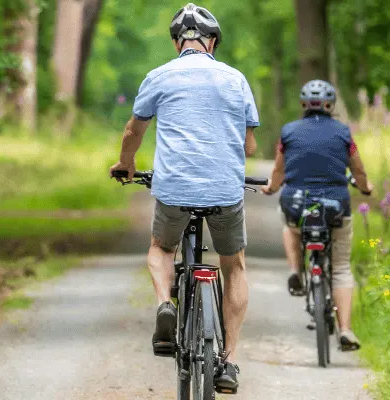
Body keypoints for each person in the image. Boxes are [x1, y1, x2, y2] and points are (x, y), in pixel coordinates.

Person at [108, 3, 259, 393]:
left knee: (161, 248)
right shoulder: (236, 79)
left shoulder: (159, 76)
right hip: (225, 191)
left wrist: (126, 164)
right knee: (235, 265)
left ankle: (165, 304)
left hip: (174, 189)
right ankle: (230, 363)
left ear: (178, 43)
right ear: (212, 42)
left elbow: (133, 131)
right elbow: (250, 143)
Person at [261, 79, 372, 352]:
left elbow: (278, 171)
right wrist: (366, 187)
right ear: (330, 105)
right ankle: (345, 330)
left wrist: (272, 187)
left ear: (303, 104)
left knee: (289, 226)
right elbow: (358, 172)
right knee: (342, 268)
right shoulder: (344, 133)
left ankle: (295, 270)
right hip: (335, 206)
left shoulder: (288, 132)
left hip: (297, 204)